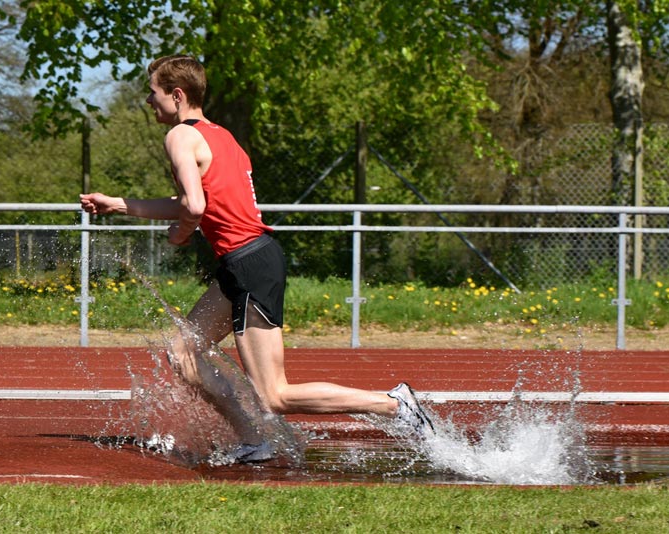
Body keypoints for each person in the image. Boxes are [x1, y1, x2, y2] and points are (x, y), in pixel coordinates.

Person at [80, 55, 434, 459]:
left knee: (275, 394)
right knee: (183, 352)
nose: (148, 100)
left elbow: (192, 209)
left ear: (176, 96)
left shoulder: (179, 136)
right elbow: (190, 201)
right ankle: (254, 441)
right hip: (244, 263)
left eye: (153, 92)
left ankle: (393, 404)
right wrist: (120, 205)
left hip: (249, 263)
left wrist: (178, 234)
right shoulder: (221, 136)